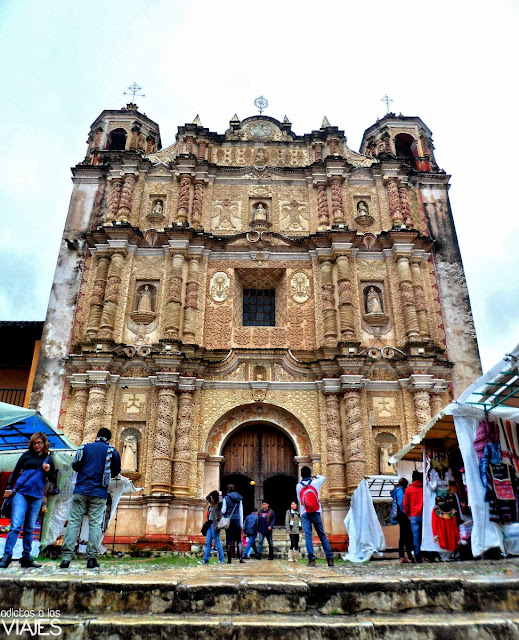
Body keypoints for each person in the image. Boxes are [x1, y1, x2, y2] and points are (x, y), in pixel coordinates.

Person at [59, 428, 121, 570]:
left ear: (96, 436)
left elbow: (75, 466)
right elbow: (116, 470)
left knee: (74, 522)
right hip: (99, 492)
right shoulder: (112, 451)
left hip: (81, 490)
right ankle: (92, 558)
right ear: (109, 438)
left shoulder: (84, 447)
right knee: (95, 524)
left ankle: (66, 558)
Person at [0, 432, 56, 569]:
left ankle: (26, 557)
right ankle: (7, 555)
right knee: (16, 525)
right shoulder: (26, 456)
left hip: (36, 495)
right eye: (35, 443)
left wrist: (48, 471)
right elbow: (15, 471)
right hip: (21, 493)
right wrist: (8, 487)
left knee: (30, 527)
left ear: (44, 444)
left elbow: (54, 479)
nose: (37, 445)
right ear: (32, 444)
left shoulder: (48, 459)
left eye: (40, 443)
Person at [297, 466, 334, 567]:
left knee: (308, 536)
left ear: (301, 474)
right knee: (322, 535)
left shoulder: (298, 486)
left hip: (305, 513)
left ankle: (311, 560)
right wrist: (314, 476)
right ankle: (329, 558)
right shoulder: (315, 483)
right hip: (316, 511)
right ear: (309, 474)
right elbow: (323, 478)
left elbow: (300, 500)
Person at [390, 478, 415, 563]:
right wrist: (407, 513)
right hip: (403, 516)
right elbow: (401, 503)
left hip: (400, 516)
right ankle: (408, 555)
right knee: (407, 535)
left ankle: (402, 555)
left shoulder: (397, 490)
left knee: (403, 535)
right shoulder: (400, 490)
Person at [199, 490, 225, 564]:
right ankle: (205, 559)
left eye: (212, 498)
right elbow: (207, 498)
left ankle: (222, 559)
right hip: (210, 524)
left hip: (215, 525)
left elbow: (221, 501)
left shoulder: (218, 505)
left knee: (217, 542)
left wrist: (220, 495)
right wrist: (212, 493)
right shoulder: (211, 505)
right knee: (208, 542)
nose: (211, 499)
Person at [403, 470, 424, 563]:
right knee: (425, 535)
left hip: (414, 515)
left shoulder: (408, 489)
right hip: (424, 514)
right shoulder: (424, 488)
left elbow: (405, 504)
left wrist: (408, 514)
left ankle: (417, 554)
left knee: (416, 536)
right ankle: (429, 554)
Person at [221, 484, 244, 564]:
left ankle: (229, 559)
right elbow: (241, 512)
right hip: (237, 520)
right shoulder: (239, 499)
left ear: (227, 490)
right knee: (239, 540)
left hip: (229, 520)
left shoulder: (226, 498)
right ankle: (240, 558)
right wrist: (241, 524)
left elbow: (223, 510)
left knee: (229, 539)